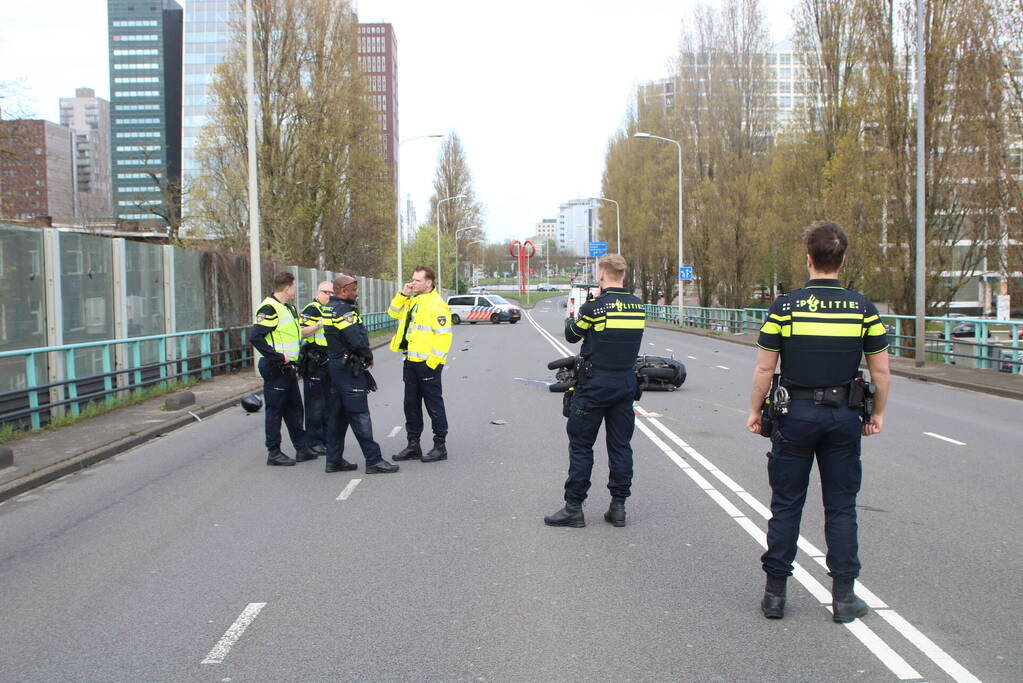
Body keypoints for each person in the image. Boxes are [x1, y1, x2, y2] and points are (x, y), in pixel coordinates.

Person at [746, 220, 890, 623]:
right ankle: (844, 599)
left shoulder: (785, 306)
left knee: (786, 505)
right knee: (841, 507)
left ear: (808, 258)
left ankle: (775, 596)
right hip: (844, 416)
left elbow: (763, 368)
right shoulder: (863, 308)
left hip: (795, 415)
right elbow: (880, 373)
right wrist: (877, 413)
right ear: (841, 260)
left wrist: (756, 410)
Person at [544, 254, 645, 528]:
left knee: (581, 446)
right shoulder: (638, 307)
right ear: (622, 275)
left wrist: (586, 306)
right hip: (625, 384)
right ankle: (619, 506)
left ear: (602, 274)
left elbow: (572, 335)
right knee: (620, 446)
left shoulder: (595, 307)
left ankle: (574, 507)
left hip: (594, 386)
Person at [323, 274, 398, 474]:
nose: (356, 293)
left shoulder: (329, 307)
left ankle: (334, 459)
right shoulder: (343, 311)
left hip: (335, 367)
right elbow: (355, 339)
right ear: (343, 291)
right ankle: (373, 460)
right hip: (348, 368)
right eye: (353, 290)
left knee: (338, 416)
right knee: (359, 414)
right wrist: (368, 356)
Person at [250, 271, 322, 466]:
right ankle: (273, 452)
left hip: (289, 368)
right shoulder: (269, 308)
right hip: (275, 367)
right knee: (275, 411)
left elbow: (295, 334)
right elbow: (255, 337)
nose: (295, 290)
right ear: (287, 287)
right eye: (294, 286)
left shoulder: (288, 309)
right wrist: (277, 356)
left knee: (295, 409)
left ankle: (301, 448)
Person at [386, 264, 453, 463]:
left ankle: (440, 446)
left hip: (427, 364)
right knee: (411, 405)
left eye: (417, 280)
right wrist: (402, 294)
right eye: (412, 279)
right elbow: (393, 312)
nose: (412, 283)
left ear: (428, 282)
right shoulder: (413, 299)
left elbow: (444, 338)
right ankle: (413, 445)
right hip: (411, 361)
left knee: (433, 405)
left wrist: (432, 363)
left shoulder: (437, 304)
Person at [299, 281, 334, 456]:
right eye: (325, 292)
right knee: (315, 404)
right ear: (318, 292)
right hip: (315, 361)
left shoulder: (331, 309)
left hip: (328, 361)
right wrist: (319, 325)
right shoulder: (312, 309)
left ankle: (326, 439)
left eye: (331, 292)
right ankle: (313, 441)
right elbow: (302, 331)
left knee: (328, 403)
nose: (329, 295)